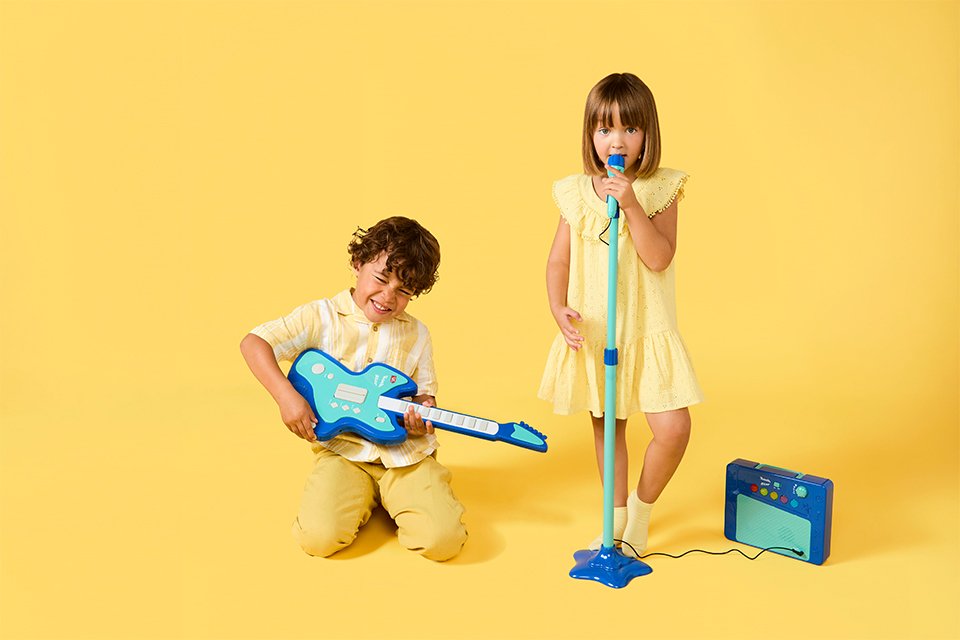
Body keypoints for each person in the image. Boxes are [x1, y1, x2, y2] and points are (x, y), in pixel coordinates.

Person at [539, 73, 704, 557]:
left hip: (647, 330)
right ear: (590, 134)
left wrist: (630, 205)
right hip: (598, 329)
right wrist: (557, 307)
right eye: (605, 129)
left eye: (630, 129)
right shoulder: (575, 193)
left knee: (673, 429)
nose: (617, 141)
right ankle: (614, 520)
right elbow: (558, 260)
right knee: (607, 425)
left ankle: (640, 512)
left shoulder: (660, 188)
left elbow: (659, 257)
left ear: (647, 133)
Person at [240, 216, 467, 561]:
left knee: (442, 541)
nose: (388, 297)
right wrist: (286, 397)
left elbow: (424, 397)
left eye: (404, 291)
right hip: (343, 453)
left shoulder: (418, 334)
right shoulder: (320, 316)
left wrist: (422, 416)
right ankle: (366, 495)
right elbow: (254, 343)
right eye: (381, 279)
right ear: (358, 263)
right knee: (318, 538)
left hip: (406, 457)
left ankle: (406, 493)